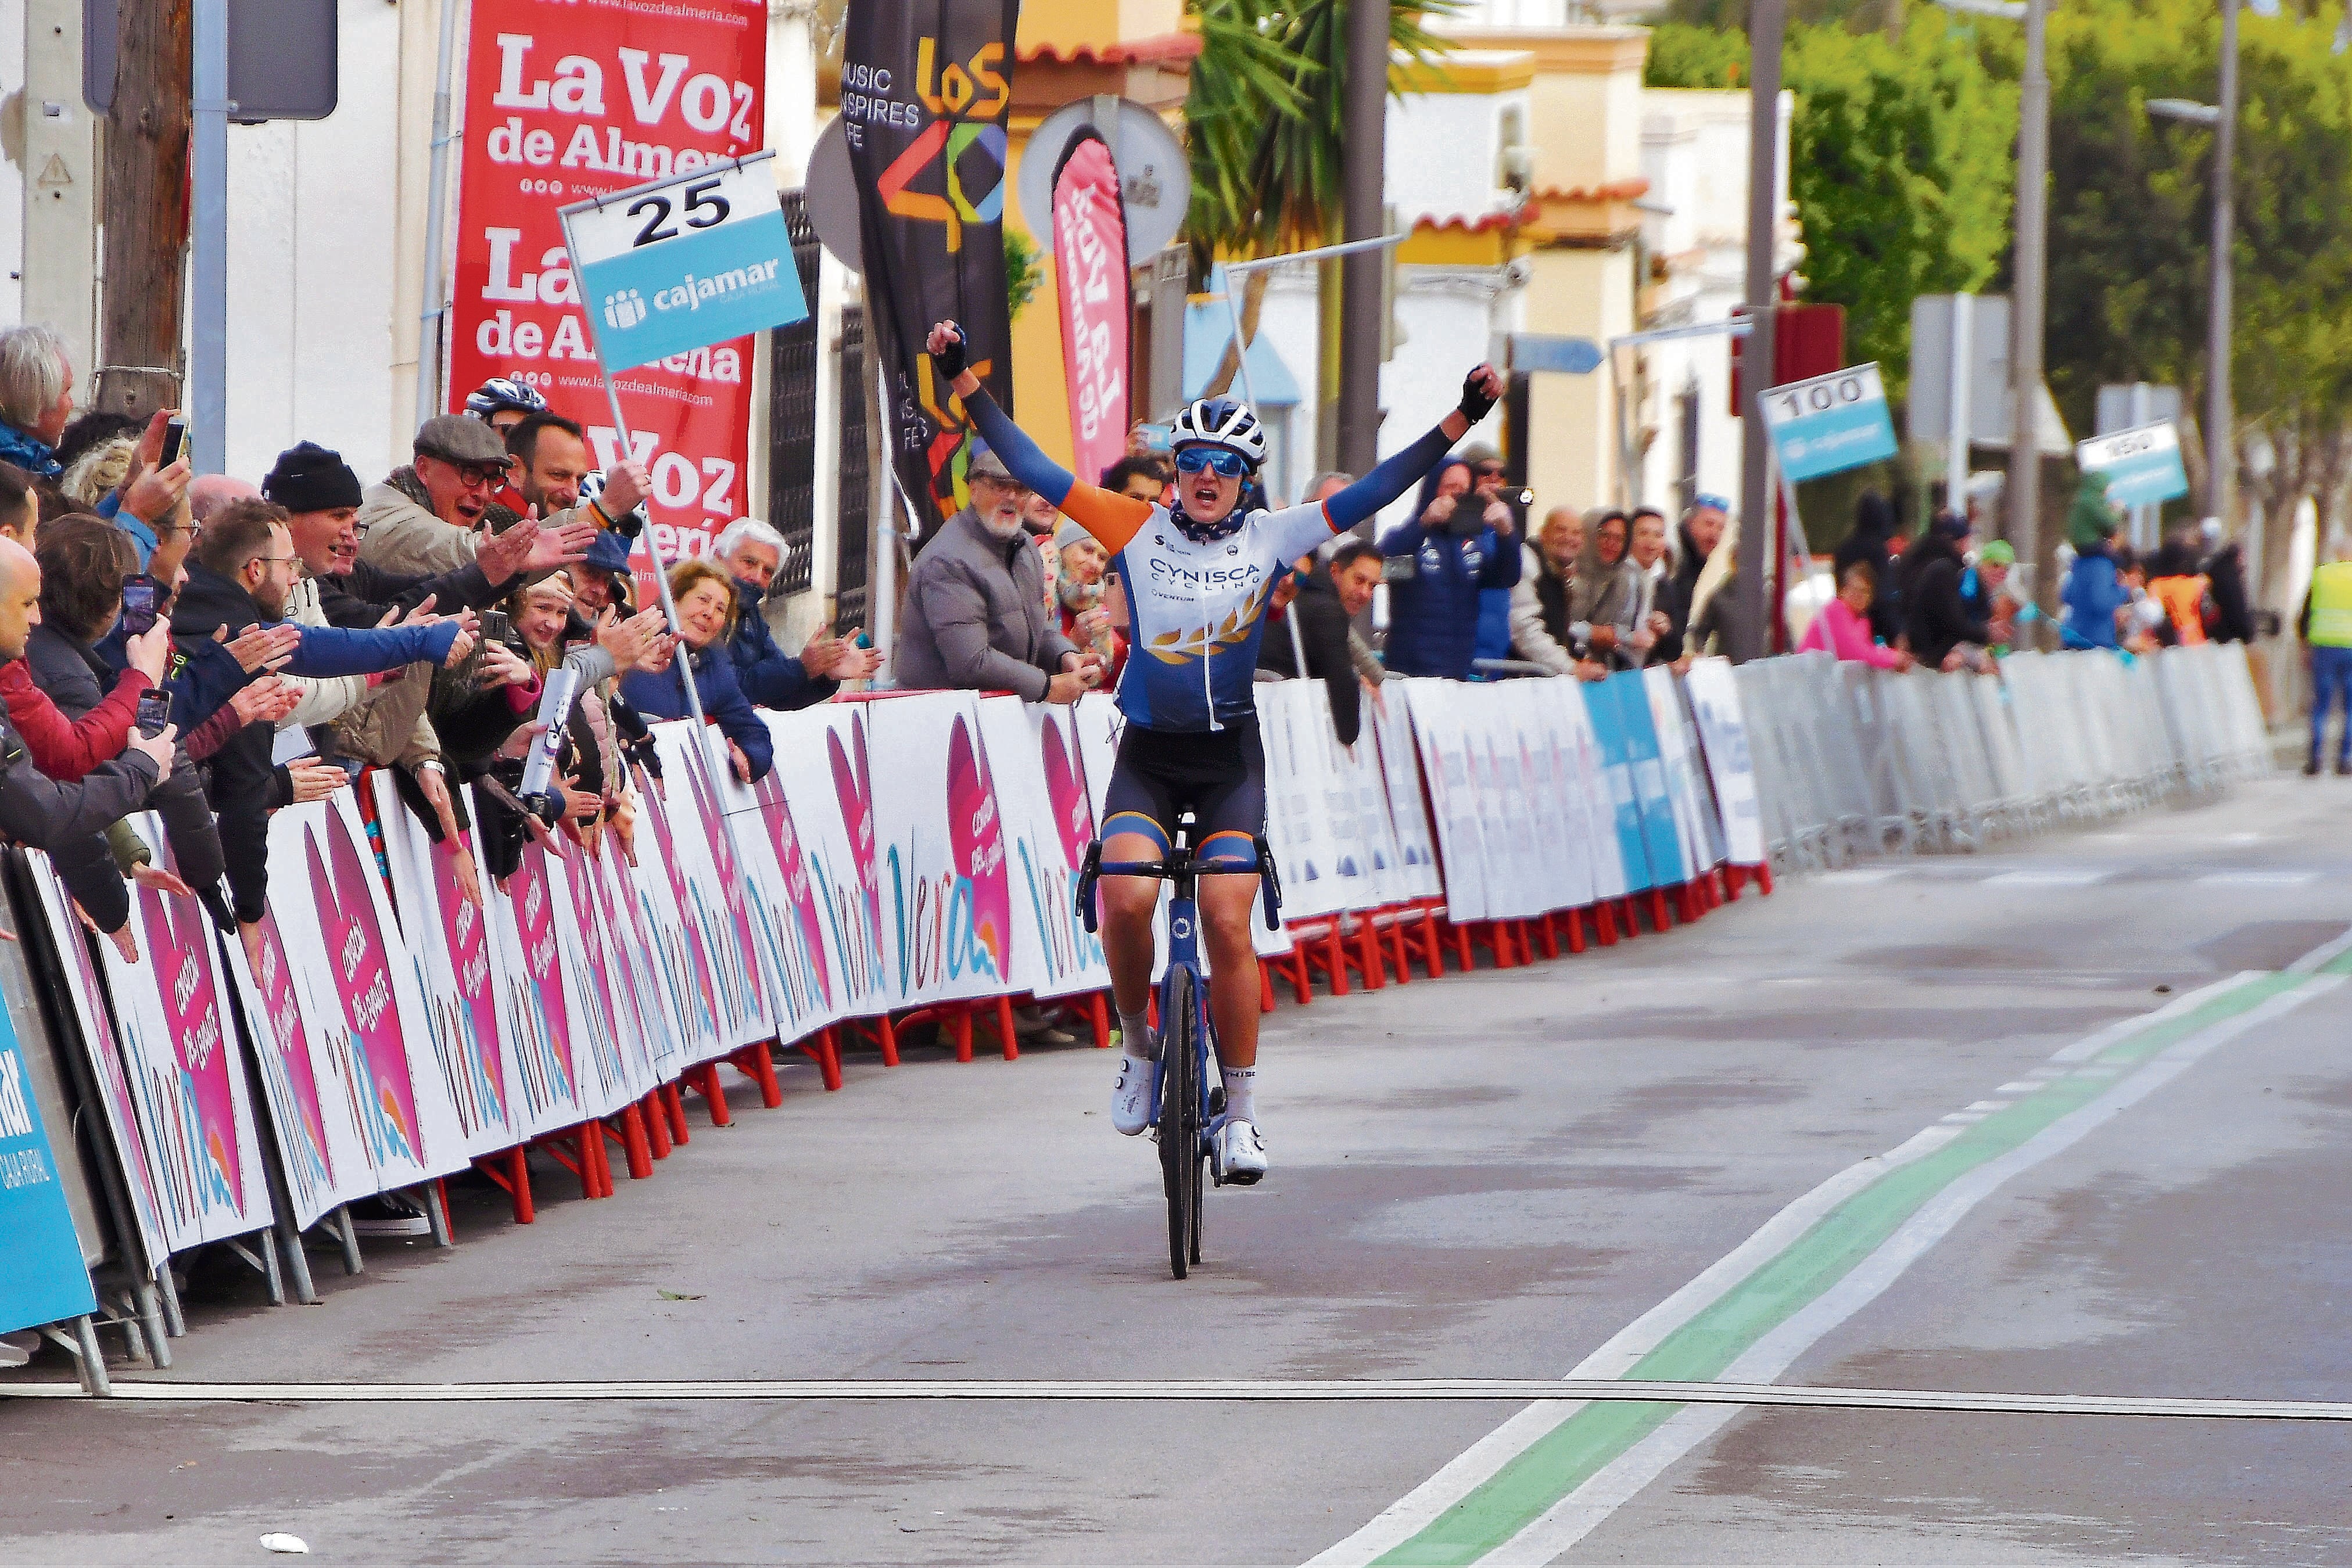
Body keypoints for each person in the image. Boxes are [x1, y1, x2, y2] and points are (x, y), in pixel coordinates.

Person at [923, 315, 1501, 1185]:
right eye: (1193, 462)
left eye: (1226, 466)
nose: (1206, 477)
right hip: (1149, 754)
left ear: (1247, 478)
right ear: (1176, 472)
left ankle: (1242, 1111)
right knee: (1124, 899)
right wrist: (962, 378)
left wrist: (1459, 417)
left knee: (1229, 916)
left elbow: (1378, 487)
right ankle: (1139, 1045)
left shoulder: (1274, 536)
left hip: (1229, 754)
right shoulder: (1130, 523)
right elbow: (1035, 462)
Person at [175, 502, 468, 948]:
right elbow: (243, 793)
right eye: (288, 564)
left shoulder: (209, 607)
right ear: (255, 570)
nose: (296, 577)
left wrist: (419, 640)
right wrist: (248, 913)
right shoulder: (244, 641)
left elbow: (325, 647)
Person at [26, 518, 232, 942]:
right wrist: (112, 908)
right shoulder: (72, 675)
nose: (185, 577)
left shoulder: (118, 630)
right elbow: (70, 799)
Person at [0, 537, 178, 920]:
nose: (36, 617)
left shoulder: (25, 664)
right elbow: (57, 786)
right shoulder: (62, 675)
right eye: (27, 603)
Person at [892, 440, 1099, 704]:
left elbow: (1036, 627)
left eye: (1020, 489)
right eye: (999, 487)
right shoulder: (948, 561)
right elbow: (971, 662)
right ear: (974, 490)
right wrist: (1046, 687)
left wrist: (1065, 656)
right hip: (940, 719)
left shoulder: (1025, 547)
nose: (1011, 498)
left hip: (995, 719)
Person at [359, 414, 648, 579]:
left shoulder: (487, 520)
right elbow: (473, 556)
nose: (484, 494)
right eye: (471, 475)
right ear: (424, 469)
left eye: (493, 480)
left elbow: (503, 573)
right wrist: (605, 508)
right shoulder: (386, 516)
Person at [618, 558, 774, 783]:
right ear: (674, 600)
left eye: (721, 609)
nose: (709, 613)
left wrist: (750, 758)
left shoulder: (716, 667)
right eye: (703, 600)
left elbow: (751, 730)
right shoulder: (631, 640)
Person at [1381, 454, 1521, 679]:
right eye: (1451, 486)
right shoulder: (1409, 536)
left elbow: (1507, 577)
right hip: (1410, 673)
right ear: (1433, 490)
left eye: (1464, 488)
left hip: (1456, 673)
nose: (1458, 493)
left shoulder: (1471, 544)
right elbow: (1385, 569)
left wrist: (1507, 534)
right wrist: (1424, 523)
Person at [712, 517, 877, 708]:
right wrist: (801, 668)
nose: (758, 577)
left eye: (768, 572)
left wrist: (826, 674)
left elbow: (778, 694)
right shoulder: (692, 607)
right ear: (719, 558)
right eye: (749, 562)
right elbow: (724, 686)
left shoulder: (751, 616)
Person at [1257, 540, 1382, 745]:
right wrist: (1350, 739)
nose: (1365, 594)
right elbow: (1339, 675)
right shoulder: (1324, 609)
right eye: (1359, 581)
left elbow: (1354, 651)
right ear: (1335, 572)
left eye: (1373, 586)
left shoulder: (1310, 603)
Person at [1901, 511, 2005, 671]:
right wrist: (1986, 633)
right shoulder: (1943, 571)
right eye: (1965, 540)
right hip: (1930, 652)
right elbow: (1953, 620)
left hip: (1919, 646)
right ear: (1955, 541)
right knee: (1982, 663)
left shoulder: (1916, 560)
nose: (1968, 546)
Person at [1510, 506, 1603, 679]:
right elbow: (1524, 630)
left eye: (1576, 533)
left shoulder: (1560, 573)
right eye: (1561, 530)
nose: (1569, 538)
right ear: (1543, 533)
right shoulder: (1527, 566)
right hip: (1521, 680)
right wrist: (1570, 667)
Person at [2059, 473, 2131, 651]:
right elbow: (2100, 602)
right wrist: (2123, 590)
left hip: (2073, 636)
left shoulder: (2079, 563)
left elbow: (2067, 594)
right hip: (2096, 640)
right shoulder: (2102, 565)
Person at [2299, 536, 2352, 775]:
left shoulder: (2322, 575)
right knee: (2350, 708)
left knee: (2321, 705)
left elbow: (2305, 614)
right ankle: (2345, 760)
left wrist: (2304, 642)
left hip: (2324, 647)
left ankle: (2315, 759)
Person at [1799, 560, 1913, 670]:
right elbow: (1856, 653)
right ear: (1842, 591)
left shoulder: (1861, 620)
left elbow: (1866, 651)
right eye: (1853, 589)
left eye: (1864, 591)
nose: (1858, 596)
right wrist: (1895, 658)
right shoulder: (1835, 610)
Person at [1055, 518, 1127, 689]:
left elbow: (1111, 689)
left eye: (1102, 558)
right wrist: (1073, 643)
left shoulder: (1106, 612)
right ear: (1063, 549)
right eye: (1087, 550)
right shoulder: (1039, 594)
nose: (1094, 564)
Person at [1836, 490, 1905, 646]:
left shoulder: (1844, 549)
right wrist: (1896, 633)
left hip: (1845, 621)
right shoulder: (1878, 550)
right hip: (1874, 626)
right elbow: (1884, 595)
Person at [1571, 509, 1638, 666]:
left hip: (1600, 668)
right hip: (1563, 664)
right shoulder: (1568, 572)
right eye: (1605, 535)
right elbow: (1554, 624)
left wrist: (1613, 635)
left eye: (1619, 539)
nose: (1611, 544)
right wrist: (1592, 633)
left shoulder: (1623, 579)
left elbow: (1625, 627)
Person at [1625, 507, 1681, 668]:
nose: (1651, 542)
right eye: (1643, 534)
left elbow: (1675, 651)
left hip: (1647, 672)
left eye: (1658, 535)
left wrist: (1666, 630)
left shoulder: (1665, 585)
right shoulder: (1618, 577)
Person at [2145, 532, 2213, 646]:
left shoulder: (2156, 585)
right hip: (2196, 643)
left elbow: (2152, 618)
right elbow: (2209, 613)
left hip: (2166, 647)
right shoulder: (2198, 583)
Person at [2202, 520, 2255, 643]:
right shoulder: (2230, 577)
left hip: (2210, 634)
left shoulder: (2213, 570)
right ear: (2238, 557)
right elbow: (2237, 608)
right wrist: (2247, 633)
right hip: (2227, 638)